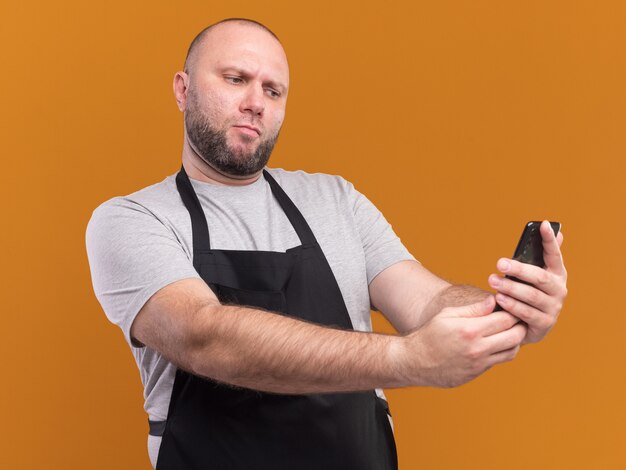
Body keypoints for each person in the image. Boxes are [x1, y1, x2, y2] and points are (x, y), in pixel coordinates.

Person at [85, 18, 567, 470]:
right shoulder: (131, 219)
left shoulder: (336, 200)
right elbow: (204, 336)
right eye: (236, 79)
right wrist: (407, 359)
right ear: (183, 90)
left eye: (273, 91)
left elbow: (426, 302)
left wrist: (508, 308)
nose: (256, 102)